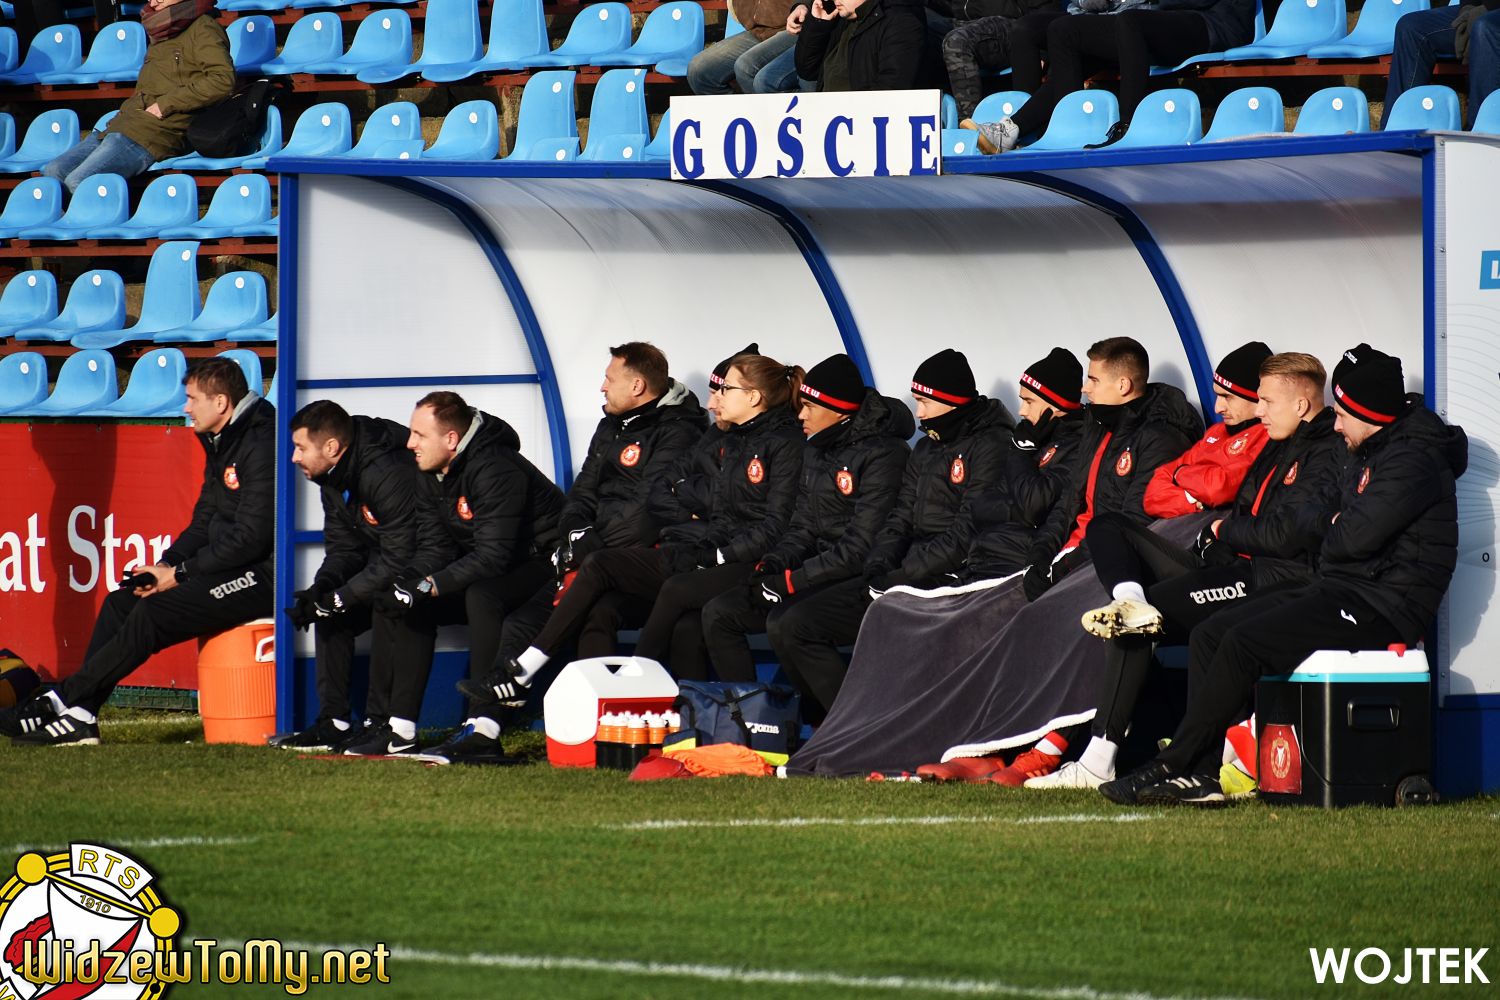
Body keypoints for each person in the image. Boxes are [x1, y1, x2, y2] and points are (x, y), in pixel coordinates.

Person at [1101, 343, 1468, 807]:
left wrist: (1330, 526)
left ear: (1368, 414)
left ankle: (1175, 764)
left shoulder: (1411, 461)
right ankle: (1202, 774)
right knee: (1212, 634)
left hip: (1384, 606)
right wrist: (1332, 525)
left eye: (1343, 414)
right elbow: (1323, 523)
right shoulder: (1366, 450)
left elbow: (1347, 538)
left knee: (1243, 642)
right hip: (1342, 588)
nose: (1335, 424)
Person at [1029, 351, 1345, 789]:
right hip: (1230, 564)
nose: (1260, 411)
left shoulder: (1325, 452)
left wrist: (1224, 530)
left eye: (1267, 402)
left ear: (1301, 404)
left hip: (1270, 577)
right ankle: (1130, 599)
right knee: (1110, 530)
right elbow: (1175, 493)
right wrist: (1219, 536)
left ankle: (1117, 759)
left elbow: (1288, 532)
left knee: (1152, 628)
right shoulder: (1277, 441)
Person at [469, 353, 805, 687]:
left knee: (676, 596)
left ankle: (631, 680)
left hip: (751, 561)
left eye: (725, 389)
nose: (713, 401)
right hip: (703, 548)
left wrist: (715, 553)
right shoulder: (732, 440)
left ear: (753, 397)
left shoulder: (781, 443)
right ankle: (565, 686)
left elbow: (773, 524)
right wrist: (578, 532)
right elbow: (682, 498)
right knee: (602, 588)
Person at [2, 359, 273, 746]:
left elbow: (252, 539)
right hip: (227, 565)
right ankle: (82, 717)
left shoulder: (261, 443)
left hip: (263, 575)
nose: (186, 407)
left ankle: (61, 698)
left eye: (192, 399)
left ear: (221, 403)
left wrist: (180, 575)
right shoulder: (223, 438)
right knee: (122, 602)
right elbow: (204, 521)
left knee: (154, 612)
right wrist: (164, 565)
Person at [460, 343, 705, 710]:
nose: (602, 387)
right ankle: (487, 722)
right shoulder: (610, 426)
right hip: (592, 555)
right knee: (520, 623)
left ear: (637, 386)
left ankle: (582, 706)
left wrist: (591, 548)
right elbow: (581, 494)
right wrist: (576, 532)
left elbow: (646, 514)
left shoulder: (679, 431)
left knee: (596, 610)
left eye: (609, 379)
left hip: (639, 559)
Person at [769, 350, 1011, 720]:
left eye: (925, 402)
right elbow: (899, 518)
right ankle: (830, 728)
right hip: (904, 573)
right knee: (789, 623)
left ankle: (858, 727)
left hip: (951, 578)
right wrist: (879, 565)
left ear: (950, 402)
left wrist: (901, 576)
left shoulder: (991, 446)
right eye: (917, 401)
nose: (919, 412)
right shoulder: (927, 447)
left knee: (804, 625)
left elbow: (966, 533)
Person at [702, 353, 912, 719]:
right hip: (817, 570)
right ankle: (752, 723)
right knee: (721, 612)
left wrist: (791, 581)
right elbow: (801, 527)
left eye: (810, 407)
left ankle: (850, 726)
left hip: (861, 576)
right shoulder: (816, 449)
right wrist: (773, 565)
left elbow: (860, 546)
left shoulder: (884, 454)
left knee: (791, 623)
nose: (801, 415)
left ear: (839, 411)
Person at [367, 392, 564, 761]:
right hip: (501, 567)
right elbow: (435, 549)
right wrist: (406, 584)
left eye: (419, 435)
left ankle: (482, 729)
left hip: (547, 566)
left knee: (482, 595)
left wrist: (425, 585)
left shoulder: (495, 466)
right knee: (412, 605)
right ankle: (399, 731)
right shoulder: (431, 471)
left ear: (451, 439)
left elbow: (493, 556)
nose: (410, 443)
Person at [271, 402, 420, 753]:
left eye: (301, 447)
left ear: (332, 447)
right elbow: (344, 549)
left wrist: (343, 596)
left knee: (385, 601)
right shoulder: (333, 478)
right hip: (388, 569)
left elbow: (401, 556)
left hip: (426, 573)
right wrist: (322, 589)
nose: (294, 457)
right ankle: (334, 722)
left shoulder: (387, 472)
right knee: (328, 609)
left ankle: (381, 723)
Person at [959, 0, 1255, 153]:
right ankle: (1035, 129)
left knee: (1129, 22)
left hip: (1211, 22)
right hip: (1159, 20)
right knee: (1062, 29)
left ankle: (1128, 126)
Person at [42, 0, 235, 192]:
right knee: (54, 172)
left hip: (160, 131)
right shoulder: (161, 28)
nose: (154, 0)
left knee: (79, 181)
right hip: (127, 122)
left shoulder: (203, 27)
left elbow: (222, 80)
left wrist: (165, 105)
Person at [939, 0, 1066, 121]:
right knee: (928, 33)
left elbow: (1046, 11)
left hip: (1008, 22)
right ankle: (938, 122)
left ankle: (971, 126)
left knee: (957, 42)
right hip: (959, 21)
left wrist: (1043, 53)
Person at [1383, 0, 1499, 130]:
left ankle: (1482, 130)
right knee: (1409, 27)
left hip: (1490, 15)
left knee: (1484, 28)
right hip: (1483, 6)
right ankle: (1395, 128)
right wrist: (1467, 8)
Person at [794, 0, 932, 92]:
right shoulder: (840, 14)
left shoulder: (900, 22)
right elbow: (807, 71)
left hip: (861, 120)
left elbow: (891, 90)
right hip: (831, 113)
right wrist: (818, 25)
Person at [688, 0, 813, 95]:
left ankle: (768, 117)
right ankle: (736, 117)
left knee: (746, 68)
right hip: (758, 31)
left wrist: (801, 6)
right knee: (699, 70)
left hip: (793, 29)